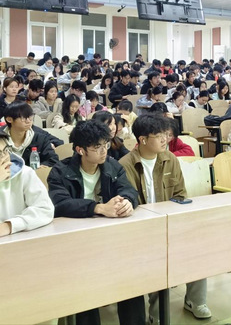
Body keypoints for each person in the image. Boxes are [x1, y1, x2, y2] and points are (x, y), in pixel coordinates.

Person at [47, 120, 142, 325]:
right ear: (80, 150)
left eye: (105, 145)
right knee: (84, 282)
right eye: (97, 147)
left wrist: (127, 202)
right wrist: (98, 208)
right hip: (75, 242)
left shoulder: (112, 166)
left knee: (132, 276)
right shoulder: (60, 171)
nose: (103, 151)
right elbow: (60, 204)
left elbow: (128, 190)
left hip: (109, 237)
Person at [120, 114, 211, 322]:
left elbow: (180, 195)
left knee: (198, 247)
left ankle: (196, 300)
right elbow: (129, 203)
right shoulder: (125, 165)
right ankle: (157, 313)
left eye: (166, 135)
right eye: (159, 135)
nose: (165, 140)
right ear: (143, 140)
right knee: (157, 257)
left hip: (170, 222)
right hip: (142, 229)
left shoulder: (170, 159)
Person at [2, 102, 60, 167]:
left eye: (30, 117)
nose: (28, 121)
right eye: (23, 118)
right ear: (9, 119)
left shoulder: (40, 139)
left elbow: (53, 160)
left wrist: (42, 166)